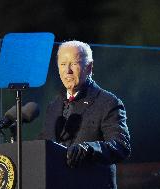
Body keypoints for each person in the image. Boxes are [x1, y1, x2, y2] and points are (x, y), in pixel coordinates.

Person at [38, 40, 131, 188]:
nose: (67, 70)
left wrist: (89, 149)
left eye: (74, 63)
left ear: (89, 68)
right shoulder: (53, 107)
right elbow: (44, 149)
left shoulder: (108, 102)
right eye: (63, 64)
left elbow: (120, 146)